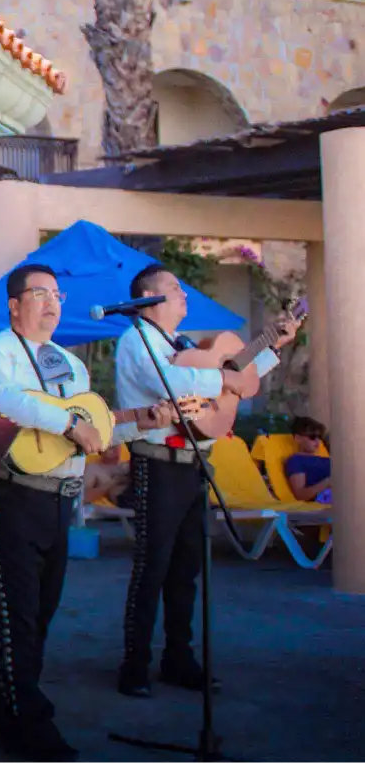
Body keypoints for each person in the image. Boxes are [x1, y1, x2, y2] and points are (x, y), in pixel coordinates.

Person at [113, 264, 296, 698]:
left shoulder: (184, 344)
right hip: (156, 463)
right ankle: (134, 664)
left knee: (187, 568)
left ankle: (180, 657)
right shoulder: (135, 339)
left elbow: (232, 381)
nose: (184, 295)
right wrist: (225, 376)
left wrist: (271, 348)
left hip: (193, 463)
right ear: (148, 298)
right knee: (152, 567)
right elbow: (173, 381)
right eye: (175, 289)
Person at [0, 264, 107, 764]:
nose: (52, 303)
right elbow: (2, 400)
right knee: (16, 617)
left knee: (41, 614)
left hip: (58, 497)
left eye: (57, 294)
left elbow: (90, 425)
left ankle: (4, 709)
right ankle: (29, 724)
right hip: (8, 496)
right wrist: (68, 422)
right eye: (40, 293)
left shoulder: (72, 364)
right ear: (14, 305)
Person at [285, 416, 331, 503]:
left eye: (319, 437)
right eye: (312, 437)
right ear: (298, 438)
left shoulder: (325, 459)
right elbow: (300, 494)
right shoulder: (296, 460)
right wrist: (328, 482)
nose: (317, 441)